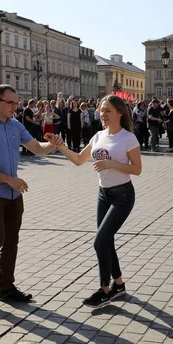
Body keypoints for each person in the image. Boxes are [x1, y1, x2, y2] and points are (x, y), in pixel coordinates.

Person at [0, 85, 59, 303]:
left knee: (11, 241)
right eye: (11, 103)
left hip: (13, 193)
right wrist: (9, 179)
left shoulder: (15, 125)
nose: (15, 108)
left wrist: (53, 145)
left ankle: (6, 288)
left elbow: (37, 148)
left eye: (17, 103)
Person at [54, 95, 142, 308]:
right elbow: (78, 160)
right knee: (106, 240)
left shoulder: (128, 138)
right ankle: (118, 284)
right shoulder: (98, 136)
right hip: (103, 195)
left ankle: (105, 290)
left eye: (108, 110)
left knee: (100, 241)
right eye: (102, 110)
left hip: (122, 196)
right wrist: (60, 146)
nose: (103, 114)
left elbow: (137, 169)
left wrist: (112, 164)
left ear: (119, 113)